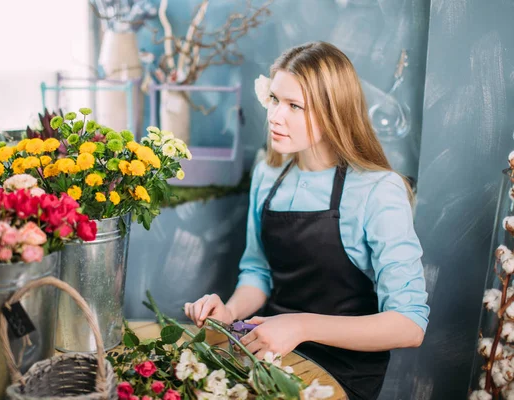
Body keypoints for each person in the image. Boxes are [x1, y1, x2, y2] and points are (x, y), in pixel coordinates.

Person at [183, 41, 429, 400]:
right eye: (274, 100)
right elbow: (258, 272)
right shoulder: (269, 173)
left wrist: (300, 326)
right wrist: (230, 310)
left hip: (343, 373)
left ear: (335, 112)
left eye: (295, 106)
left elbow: (409, 326)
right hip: (268, 353)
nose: (275, 117)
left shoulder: (378, 190)